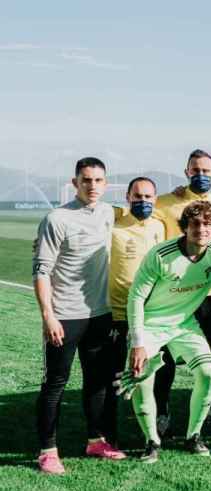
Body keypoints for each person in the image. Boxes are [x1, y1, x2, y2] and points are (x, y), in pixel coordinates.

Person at [118, 200, 211, 461]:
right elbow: (135, 298)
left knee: (207, 372)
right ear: (185, 227)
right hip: (149, 325)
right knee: (142, 379)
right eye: (195, 224)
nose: (201, 229)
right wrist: (137, 343)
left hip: (184, 324)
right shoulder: (161, 255)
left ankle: (194, 436)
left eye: (207, 224)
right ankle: (152, 441)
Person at [33, 157, 123, 474]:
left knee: (97, 382)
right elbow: (41, 270)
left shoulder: (110, 212)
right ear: (75, 183)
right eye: (86, 180)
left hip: (100, 314)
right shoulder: (56, 219)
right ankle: (48, 451)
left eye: (98, 180)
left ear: (106, 183)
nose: (93, 186)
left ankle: (96, 441)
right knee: (55, 384)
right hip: (64, 317)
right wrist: (48, 316)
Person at [152, 149, 211, 431]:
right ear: (186, 172)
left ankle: (206, 409)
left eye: (206, 171)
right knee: (166, 357)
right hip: (173, 296)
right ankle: (162, 411)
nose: (201, 175)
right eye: (195, 170)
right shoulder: (164, 203)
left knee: (208, 356)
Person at [109, 177, 173, 439]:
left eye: (148, 197)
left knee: (161, 365)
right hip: (117, 310)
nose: (143, 201)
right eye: (138, 196)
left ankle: (161, 412)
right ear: (127, 197)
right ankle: (107, 425)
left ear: (155, 200)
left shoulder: (160, 225)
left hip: (154, 313)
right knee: (113, 368)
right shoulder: (112, 223)